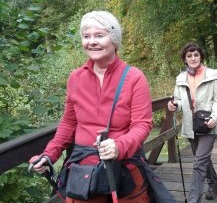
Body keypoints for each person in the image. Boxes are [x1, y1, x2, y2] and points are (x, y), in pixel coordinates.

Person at [28, 11, 153, 203]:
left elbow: (142, 125)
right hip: (83, 175)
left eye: (99, 35)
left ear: (114, 40)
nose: (92, 41)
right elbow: (69, 123)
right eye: (87, 36)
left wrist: (119, 146)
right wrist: (49, 154)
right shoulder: (75, 78)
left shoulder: (134, 77)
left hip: (124, 171)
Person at [167, 42, 217, 202]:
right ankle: (213, 183)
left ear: (201, 56)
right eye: (189, 56)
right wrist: (174, 105)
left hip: (208, 124)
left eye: (196, 55)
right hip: (191, 126)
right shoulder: (180, 78)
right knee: (202, 159)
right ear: (185, 59)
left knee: (199, 163)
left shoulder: (212, 74)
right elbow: (178, 100)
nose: (193, 58)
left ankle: (193, 199)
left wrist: (214, 117)